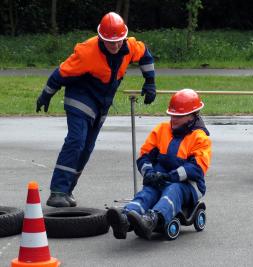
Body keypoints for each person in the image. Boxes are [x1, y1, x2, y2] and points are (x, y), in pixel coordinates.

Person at [36, 12, 156, 207]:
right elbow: (60, 73)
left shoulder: (130, 46)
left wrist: (150, 82)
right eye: (110, 42)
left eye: (118, 41)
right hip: (80, 98)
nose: (115, 46)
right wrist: (46, 94)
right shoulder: (87, 52)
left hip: (101, 103)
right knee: (76, 141)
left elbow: (145, 55)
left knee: (87, 148)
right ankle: (57, 190)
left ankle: (67, 191)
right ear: (101, 38)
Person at [106, 89, 212, 240]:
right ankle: (125, 219)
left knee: (173, 190)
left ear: (193, 116)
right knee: (148, 192)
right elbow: (145, 156)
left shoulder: (200, 139)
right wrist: (149, 173)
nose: (174, 119)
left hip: (189, 185)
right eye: (172, 115)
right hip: (161, 178)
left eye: (179, 116)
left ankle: (152, 219)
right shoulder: (161, 130)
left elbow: (196, 169)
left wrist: (170, 176)